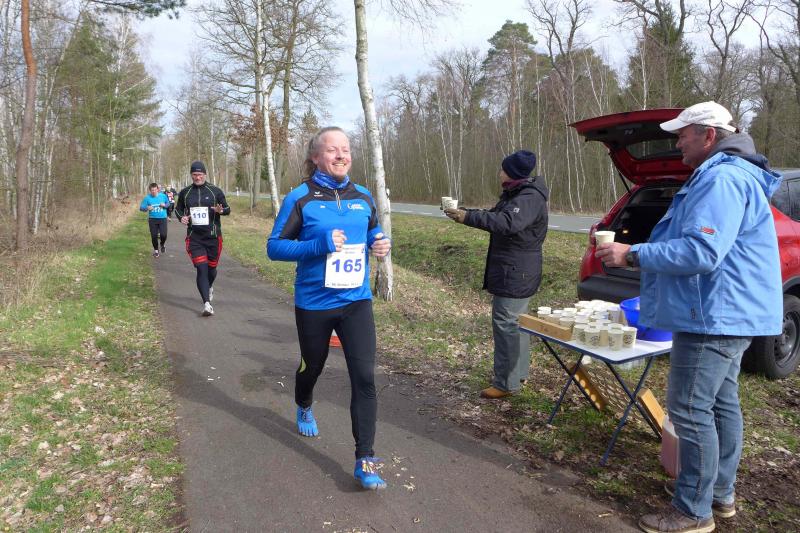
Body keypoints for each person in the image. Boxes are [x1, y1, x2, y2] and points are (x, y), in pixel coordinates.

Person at [595, 101, 783, 533]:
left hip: (713, 314)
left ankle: (693, 511)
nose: (677, 142)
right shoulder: (729, 174)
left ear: (708, 135)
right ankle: (717, 493)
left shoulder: (722, 179)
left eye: (682, 134)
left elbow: (701, 251)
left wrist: (632, 254)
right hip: (727, 311)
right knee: (721, 403)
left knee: (690, 408)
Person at [267, 126, 391, 490]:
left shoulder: (363, 196)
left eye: (346, 149)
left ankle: (365, 459)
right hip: (314, 304)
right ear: (316, 157)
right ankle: (304, 402)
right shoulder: (301, 198)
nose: (341, 155)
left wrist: (380, 243)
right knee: (313, 366)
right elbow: (274, 247)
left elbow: (373, 232)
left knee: (365, 377)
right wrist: (317, 244)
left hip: (356, 301)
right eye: (333, 150)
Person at [444, 150, 549, 399]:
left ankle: (506, 383)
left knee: (506, 323)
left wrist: (468, 217)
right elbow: (496, 215)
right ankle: (517, 374)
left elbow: (506, 223)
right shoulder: (517, 194)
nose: (499, 173)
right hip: (516, 269)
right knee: (516, 322)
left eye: (503, 169)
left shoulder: (528, 197)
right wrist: (465, 212)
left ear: (513, 173)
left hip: (516, 271)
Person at [175, 161, 231, 317]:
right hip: (194, 238)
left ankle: (209, 286)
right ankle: (207, 304)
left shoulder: (215, 191)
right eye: (194, 175)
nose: (197, 177)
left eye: (200, 174)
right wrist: (181, 218)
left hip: (213, 237)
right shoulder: (185, 192)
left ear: (205, 175)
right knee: (201, 268)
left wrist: (220, 211)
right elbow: (178, 210)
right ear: (191, 175)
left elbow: (227, 209)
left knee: (211, 270)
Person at [139, 182, 170, 257]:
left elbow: (168, 204)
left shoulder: (163, 196)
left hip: (162, 218)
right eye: (152, 190)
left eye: (155, 190)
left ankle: (162, 244)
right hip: (152, 219)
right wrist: (147, 208)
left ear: (158, 189)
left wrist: (164, 205)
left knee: (163, 235)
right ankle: (156, 251)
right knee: (154, 236)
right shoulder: (147, 198)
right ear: (150, 190)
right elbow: (141, 208)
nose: (154, 192)